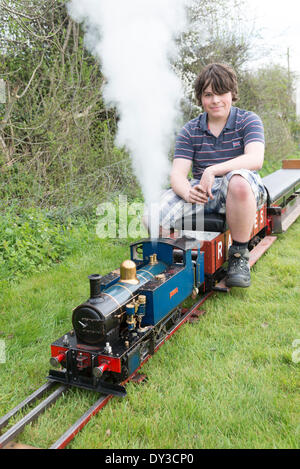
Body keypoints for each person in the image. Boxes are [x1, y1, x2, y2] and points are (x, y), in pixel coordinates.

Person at [157, 63, 267, 288]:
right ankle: (166, 264)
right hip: (202, 192)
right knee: (153, 212)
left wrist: (213, 169)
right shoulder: (190, 130)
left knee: (238, 180)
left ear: (232, 94)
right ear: (201, 98)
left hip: (240, 191)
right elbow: (178, 174)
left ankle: (238, 256)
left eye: (220, 93)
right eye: (208, 94)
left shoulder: (248, 121)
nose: (215, 100)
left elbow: (255, 159)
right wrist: (188, 192)